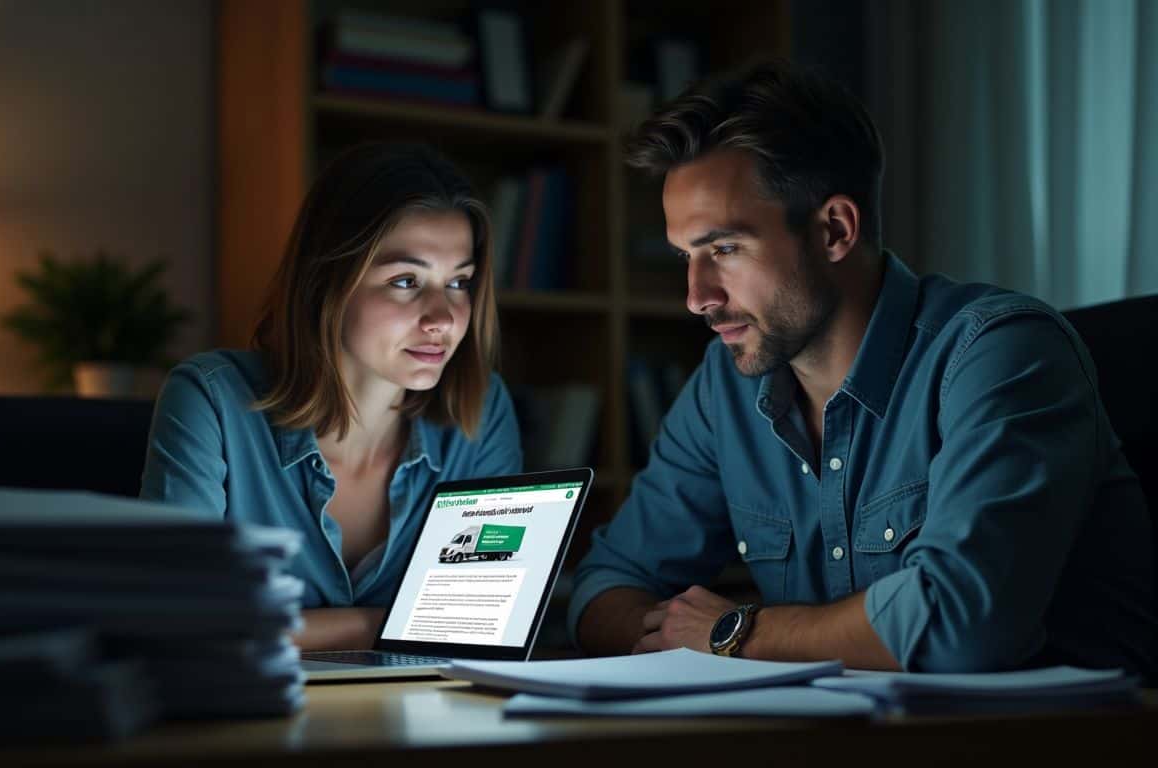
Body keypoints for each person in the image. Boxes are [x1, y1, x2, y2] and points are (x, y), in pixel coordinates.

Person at [570, 60, 1157, 680]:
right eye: (686, 256)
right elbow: (606, 585)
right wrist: (682, 638)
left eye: (724, 249)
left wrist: (731, 634)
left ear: (835, 230)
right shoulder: (726, 387)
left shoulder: (1003, 354)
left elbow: (960, 623)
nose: (696, 296)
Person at [142, 142, 522, 651]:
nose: (444, 318)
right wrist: (383, 626)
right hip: (249, 723)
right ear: (327, 283)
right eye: (406, 281)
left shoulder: (482, 409)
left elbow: (488, 619)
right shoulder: (211, 400)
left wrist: (284, 627)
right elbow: (178, 617)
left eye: (459, 282)